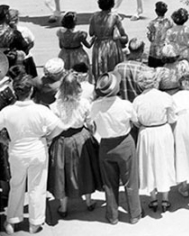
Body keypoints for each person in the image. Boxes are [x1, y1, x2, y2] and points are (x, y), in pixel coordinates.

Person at [0, 75, 64, 234]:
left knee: (16, 186)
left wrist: (4, 140)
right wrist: (49, 137)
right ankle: (35, 222)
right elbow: (59, 126)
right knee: (37, 186)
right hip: (37, 150)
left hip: (17, 151)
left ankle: (12, 220)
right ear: (31, 90)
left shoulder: (7, 111)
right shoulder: (41, 110)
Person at [89, 73, 142, 225]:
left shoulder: (95, 106)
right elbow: (136, 121)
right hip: (124, 143)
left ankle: (112, 215)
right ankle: (134, 214)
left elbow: (90, 123)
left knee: (109, 183)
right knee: (130, 181)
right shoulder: (125, 105)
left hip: (106, 145)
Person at [48, 71, 100, 217]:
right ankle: (88, 202)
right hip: (81, 137)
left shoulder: (54, 106)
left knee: (62, 173)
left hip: (62, 140)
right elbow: (90, 123)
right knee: (86, 169)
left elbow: (53, 126)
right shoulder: (84, 103)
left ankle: (63, 207)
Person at [132, 69, 176, 212]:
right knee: (165, 162)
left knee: (148, 164)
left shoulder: (138, 100)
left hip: (146, 132)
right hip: (163, 131)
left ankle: (153, 198)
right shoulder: (165, 97)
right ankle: (165, 199)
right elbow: (172, 118)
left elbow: (135, 121)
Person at [88, 0, 127, 80]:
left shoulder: (94, 16)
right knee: (113, 72)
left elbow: (91, 33)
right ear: (112, 4)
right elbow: (124, 36)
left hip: (98, 46)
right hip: (111, 46)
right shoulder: (115, 17)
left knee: (100, 71)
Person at [146, 1, 171, 68]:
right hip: (165, 50)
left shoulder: (152, 23)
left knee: (152, 69)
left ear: (156, 11)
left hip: (154, 51)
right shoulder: (169, 22)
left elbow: (150, 38)